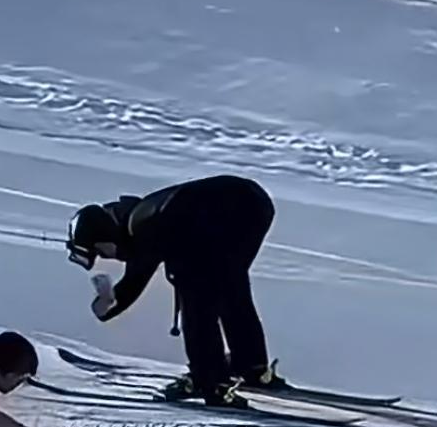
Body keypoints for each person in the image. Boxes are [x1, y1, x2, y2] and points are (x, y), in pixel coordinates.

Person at [65, 174, 284, 407]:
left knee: (197, 298)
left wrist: (106, 303)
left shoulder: (143, 226)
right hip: (253, 203)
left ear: (104, 234)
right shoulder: (143, 217)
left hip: (228, 211)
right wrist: (105, 303)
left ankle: (209, 381)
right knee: (230, 290)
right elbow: (132, 283)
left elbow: (133, 283)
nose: (106, 257)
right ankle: (252, 367)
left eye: (100, 251)